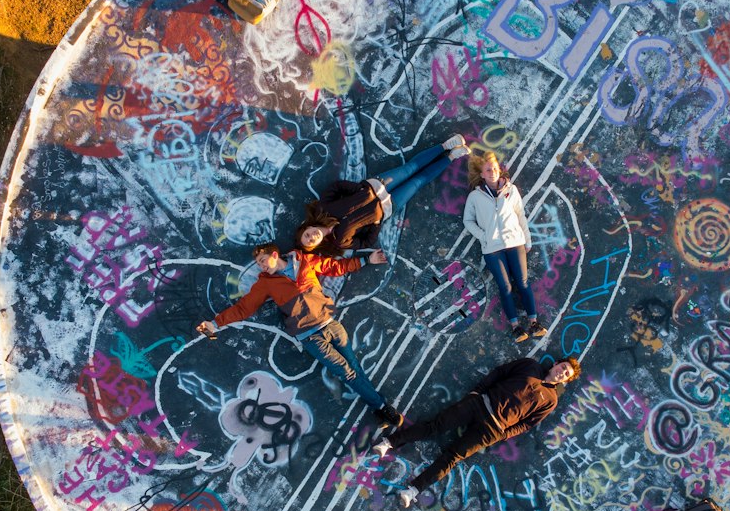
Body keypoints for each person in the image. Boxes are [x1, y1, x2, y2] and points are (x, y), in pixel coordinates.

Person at [196, 243, 402, 426]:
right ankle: (383, 407)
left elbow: (336, 267)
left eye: (262, 260)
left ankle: (378, 406)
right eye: (258, 264)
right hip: (310, 336)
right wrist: (214, 323)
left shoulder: (306, 262)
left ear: (275, 254)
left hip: (331, 324)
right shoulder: (266, 283)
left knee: (354, 367)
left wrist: (366, 260)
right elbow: (244, 308)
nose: (261, 266)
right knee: (346, 372)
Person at [373, 356, 580, 507]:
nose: (562, 372)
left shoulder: (551, 401)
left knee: (452, 457)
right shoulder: (530, 365)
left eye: (566, 374)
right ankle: (389, 442)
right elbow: (500, 372)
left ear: (565, 381)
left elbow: (528, 424)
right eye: (562, 367)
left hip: (493, 430)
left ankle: (413, 490)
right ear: (555, 364)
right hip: (480, 403)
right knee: (434, 426)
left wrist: (504, 434)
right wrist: (477, 391)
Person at [295, 134, 469, 255]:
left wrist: (359, 189)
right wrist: (377, 222)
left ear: (307, 227)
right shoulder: (340, 241)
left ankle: (446, 146)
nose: (312, 237)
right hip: (389, 205)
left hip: (377, 187)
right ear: (317, 245)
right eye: (310, 241)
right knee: (418, 182)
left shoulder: (323, 208)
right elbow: (366, 242)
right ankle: (452, 157)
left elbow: (336, 187)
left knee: (410, 168)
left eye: (307, 235)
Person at [463, 151, 545, 342]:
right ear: (482, 174)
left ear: (499, 171)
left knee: (523, 283)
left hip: (515, 243)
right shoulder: (475, 196)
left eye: (495, 168)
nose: (492, 172)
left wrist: (527, 240)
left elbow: (520, 215)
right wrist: (483, 236)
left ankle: (534, 323)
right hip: (492, 249)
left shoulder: (511, 190)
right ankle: (516, 327)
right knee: (505, 287)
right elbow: (468, 221)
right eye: (488, 170)